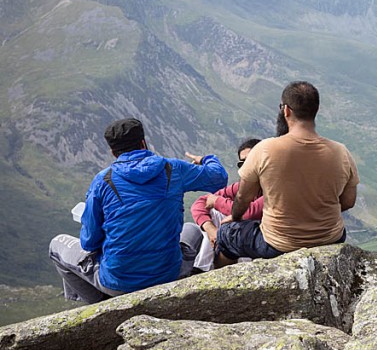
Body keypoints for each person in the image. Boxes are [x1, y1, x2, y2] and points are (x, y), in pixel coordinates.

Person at [49, 118, 228, 303]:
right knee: (191, 229)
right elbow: (219, 177)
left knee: (56, 245)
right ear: (143, 143)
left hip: (118, 281)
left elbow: (89, 242)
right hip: (167, 274)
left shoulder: (102, 181)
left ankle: (100, 304)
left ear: (113, 152)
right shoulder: (172, 169)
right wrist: (206, 159)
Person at [215, 81, 359, 263]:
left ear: (286, 111)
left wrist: (235, 217)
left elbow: (243, 198)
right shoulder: (341, 152)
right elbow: (348, 201)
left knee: (226, 234)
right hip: (331, 238)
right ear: (316, 110)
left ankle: (225, 286)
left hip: (277, 244)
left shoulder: (264, 149)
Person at [190, 138, 263, 271]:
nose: (247, 167)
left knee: (234, 221)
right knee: (213, 214)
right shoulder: (241, 187)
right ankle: (201, 269)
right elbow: (200, 203)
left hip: (265, 241)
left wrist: (217, 201)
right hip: (247, 241)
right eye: (242, 164)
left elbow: (249, 212)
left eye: (251, 160)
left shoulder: (274, 187)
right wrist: (211, 229)